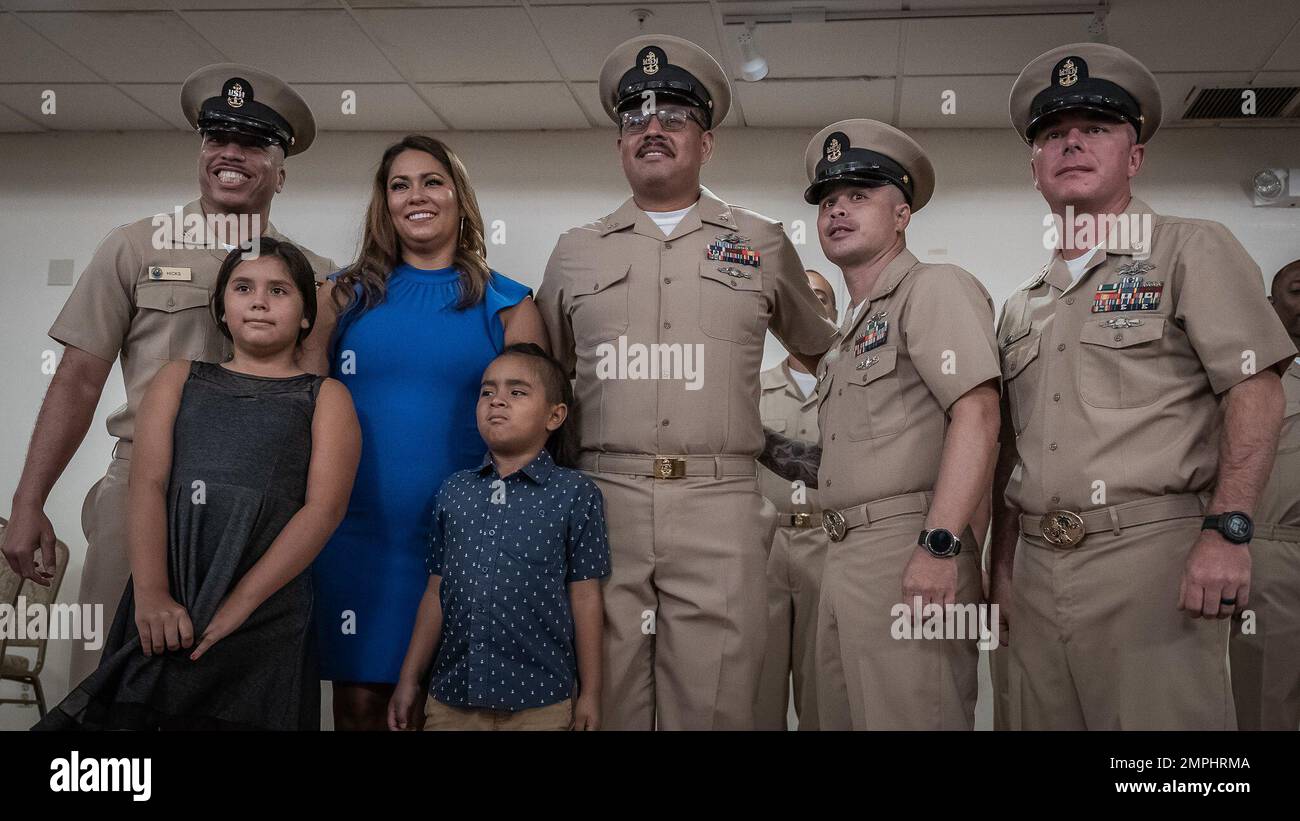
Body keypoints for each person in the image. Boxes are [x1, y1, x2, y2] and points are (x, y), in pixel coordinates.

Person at [989, 43, 1296, 729]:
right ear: (1035, 166)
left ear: (1134, 157)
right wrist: (1001, 570)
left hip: (1151, 561)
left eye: (1095, 128)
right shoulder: (1022, 306)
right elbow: (1014, 449)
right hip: (1038, 566)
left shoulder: (1190, 250)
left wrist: (1229, 529)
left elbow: (1256, 391)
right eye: (1053, 134)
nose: (1071, 141)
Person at [535, 35, 837, 730]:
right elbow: (542, 377)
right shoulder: (577, 251)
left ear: (707, 143)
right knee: (605, 704)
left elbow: (829, 357)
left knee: (717, 704)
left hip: (720, 500)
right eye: (634, 118)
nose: (652, 128)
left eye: (673, 115)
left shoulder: (760, 241)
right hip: (602, 498)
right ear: (619, 146)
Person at [2, 64, 335, 686]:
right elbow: (76, 380)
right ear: (201, 151)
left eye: (253, 142)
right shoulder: (134, 248)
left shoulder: (314, 277)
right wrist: (28, 501)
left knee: (227, 683)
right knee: (106, 679)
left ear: (281, 171)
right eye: (217, 138)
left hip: (255, 499)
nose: (230, 154)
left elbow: (309, 408)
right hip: (140, 485)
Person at [34, 238, 360, 731]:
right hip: (173, 589)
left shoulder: (326, 397)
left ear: (307, 316)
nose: (259, 300)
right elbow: (147, 484)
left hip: (267, 606)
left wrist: (240, 606)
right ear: (221, 310)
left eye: (279, 291)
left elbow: (323, 510)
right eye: (244, 288)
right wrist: (151, 593)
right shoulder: (178, 378)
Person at [300, 135, 548, 730]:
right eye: (399, 184)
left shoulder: (509, 304)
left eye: (432, 181)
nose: (417, 195)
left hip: (468, 537)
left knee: (453, 707)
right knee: (360, 704)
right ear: (383, 204)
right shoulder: (340, 295)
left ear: (458, 197)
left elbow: (536, 435)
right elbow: (297, 411)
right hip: (356, 532)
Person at [761, 119, 1001, 730]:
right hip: (842, 555)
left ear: (903, 214)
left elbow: (977, 415)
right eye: (828, 201)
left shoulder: (932, 289)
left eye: (860, 195)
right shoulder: (850, 333)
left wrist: (939, 545)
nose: (838, 211)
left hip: (910, 547)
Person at [387, 344, 609, 731]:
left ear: (555, 416)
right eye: (487, 391)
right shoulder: (453, 491)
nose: (497, 401)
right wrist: (409, 678)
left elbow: (586, 596)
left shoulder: (575, 494)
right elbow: (434, 592)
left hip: (541, 704)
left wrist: (591, 692)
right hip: (452, 699)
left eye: (517, 392)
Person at [754, 269, 837, 730]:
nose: (811, 307)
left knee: (823, 684)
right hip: (765, 546)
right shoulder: (750, 388)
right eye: (801, 298)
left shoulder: (852, 386)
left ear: (836, 312)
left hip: (830, 545)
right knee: (757, 686)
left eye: (821, 298)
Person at [1231, 259, 1300, 730]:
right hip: (1274, 555)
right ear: (1272, 307)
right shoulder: (1249, 383)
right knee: (1266, 700)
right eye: (1298, 291)